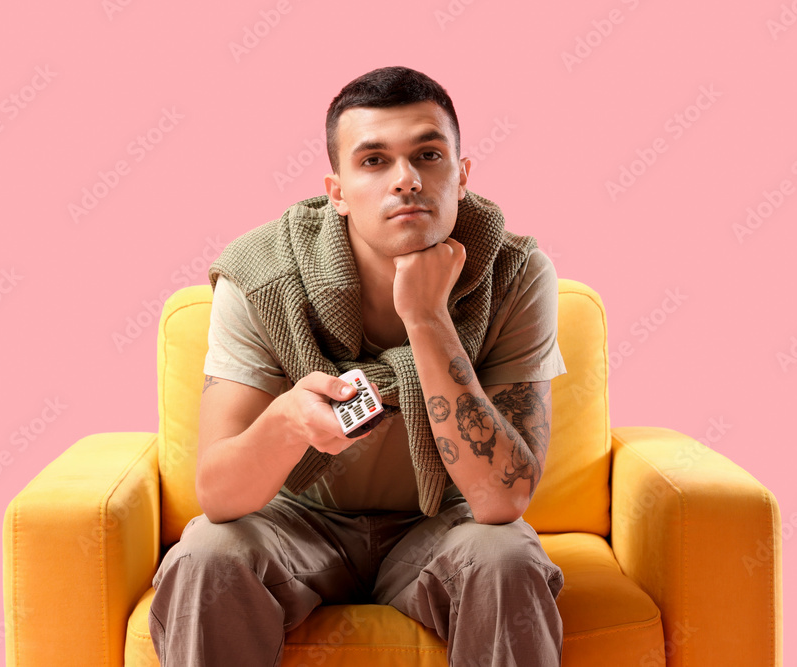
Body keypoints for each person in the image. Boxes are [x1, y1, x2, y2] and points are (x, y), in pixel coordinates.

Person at [149, 65, 567, 666]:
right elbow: (217, 495)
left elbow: (501, 501)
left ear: (462, 175)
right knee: (208, 553)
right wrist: (289, 423)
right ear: (337, 190)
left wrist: (427, 319)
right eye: (374, 161)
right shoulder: (265, 276)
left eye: (428, 154)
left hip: (443, 523)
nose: (406, 180)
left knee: (506, 558)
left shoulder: (515, 274)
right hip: (298, 522)